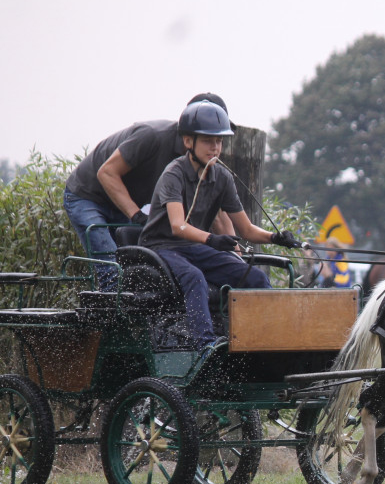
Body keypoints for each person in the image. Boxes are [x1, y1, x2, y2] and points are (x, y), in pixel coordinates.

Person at [139, 100, 301, 351]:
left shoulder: (222, 177)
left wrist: (275, 237)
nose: (215, 148)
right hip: (161, 247)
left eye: (219, 141)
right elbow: (177, 227)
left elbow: (246, 230)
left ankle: (268, 342)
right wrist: (212, 240)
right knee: (194, 277)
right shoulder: (174, 174)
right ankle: (206, 348)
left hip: (195, 247)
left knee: (256, 278)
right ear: (188, 141)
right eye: (207, 141)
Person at [63, 93, 231, 290]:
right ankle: (114, 318)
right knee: (111, 264)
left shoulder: (199, 162)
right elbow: (107, 173)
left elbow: (218, 216)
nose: (214, 146)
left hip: (123, 200)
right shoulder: (152, 136)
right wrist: (136, 215)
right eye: (207, 137)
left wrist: (236, 258)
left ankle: (145, 315)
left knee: (133, 265)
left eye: (218, 138)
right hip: (87, 195)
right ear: (189, 136)